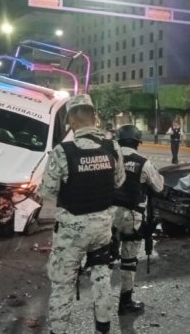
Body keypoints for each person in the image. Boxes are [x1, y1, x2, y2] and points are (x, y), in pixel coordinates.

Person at [39, 94, 126, 334]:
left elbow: (47, 191)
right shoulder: (112, 146)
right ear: (94, 117)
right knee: (102, 279)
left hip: (71, 232)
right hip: (102, 228)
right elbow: (118, 181)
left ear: (71, 122)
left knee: (62, 285)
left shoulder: (62, 151)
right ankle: (103, 329)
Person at [112, 124, 164, 315]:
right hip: (131, 217)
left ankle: (99, 303)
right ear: (137, 142)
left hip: (106, 217)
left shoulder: (109, 159)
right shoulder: (143, 162)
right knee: (129, 260)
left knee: (103, 260)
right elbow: (158, 187)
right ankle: (125, 302)